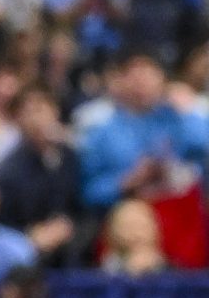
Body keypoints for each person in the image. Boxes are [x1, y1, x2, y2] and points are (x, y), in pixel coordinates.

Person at [78, 48, 209, 267]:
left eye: (149, 73)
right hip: (128, 221)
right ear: (120, 81)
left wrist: (186, 109)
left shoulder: (178, 118)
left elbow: (203, 148)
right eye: (133, 74)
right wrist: (127, 181)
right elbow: (88, 192)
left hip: (182, 220)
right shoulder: (103, 131)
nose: (141, 81)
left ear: (163, 79)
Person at [0, 85, 84, 268]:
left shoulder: (71, 157)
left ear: (55, 111)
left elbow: (82, 205)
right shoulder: (7, 172)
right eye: (27, 112)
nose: (36, 119)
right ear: (17, 120)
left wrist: (67, 226)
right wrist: (30, 235)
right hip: (27, 251)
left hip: (72, 244)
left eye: (41, 109)